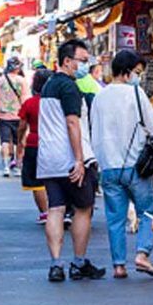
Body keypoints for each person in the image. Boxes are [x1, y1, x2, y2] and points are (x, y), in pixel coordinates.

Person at [38, 39, 105, 282]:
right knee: (83, 208)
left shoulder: (48, 86)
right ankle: (78, 262)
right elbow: (72, 122)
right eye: (82, 61)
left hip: (49, 159)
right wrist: (79, 159)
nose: (85, 66)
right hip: (70, 158)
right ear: (67, 61)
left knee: (55, 208)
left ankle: (56, 264)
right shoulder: (69, 87)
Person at [91, 50, 153, 279]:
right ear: (127, 71)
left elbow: (95, 132)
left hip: (109, 167)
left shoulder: (100, 96)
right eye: (138, 72)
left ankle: (119, 265)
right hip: (136, 166)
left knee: (115, 218)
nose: (138, 76)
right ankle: (142, 254)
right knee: (148, 211)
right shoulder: (137, 94)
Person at [17, 69, 52, 224]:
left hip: (34, 143)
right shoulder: (56, 103)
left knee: (36, 181)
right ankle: (58, 210)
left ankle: (44, 212)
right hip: (54, 143)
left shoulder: (30, 103)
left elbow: (22, 126)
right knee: (54, 178)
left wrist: (20, 142)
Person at [0, 56, 30, 177]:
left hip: (3, 115)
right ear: (18, 68)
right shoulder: (22, 81)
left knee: (4, 141)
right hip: (19, 116)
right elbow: (26, 99)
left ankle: (6, 166)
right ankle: (18, 166)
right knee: (20, 142)